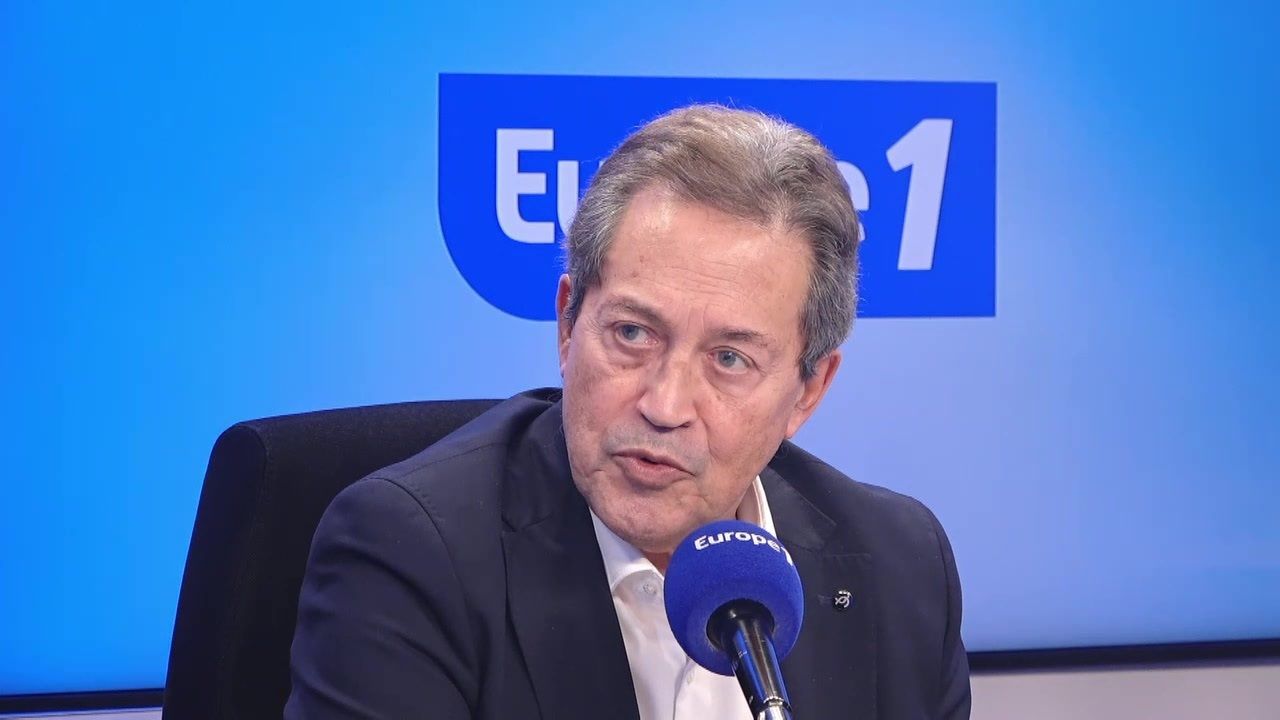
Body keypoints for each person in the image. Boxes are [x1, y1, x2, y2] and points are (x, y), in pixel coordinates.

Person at [285, 105, 971, 719]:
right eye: (633, 334)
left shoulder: (900, 568)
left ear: (808, 391)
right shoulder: (412, 555)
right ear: (567, 325)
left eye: (729, 359)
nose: (664, 406)